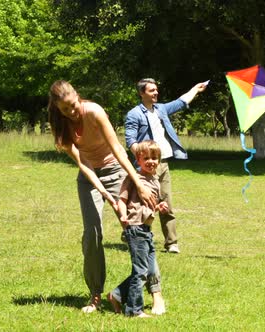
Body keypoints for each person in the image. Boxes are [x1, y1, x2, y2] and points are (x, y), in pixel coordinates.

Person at [47, 80, 165, 314]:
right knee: (92, 234)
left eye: (72, 105)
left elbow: (118, 150)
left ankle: (156, 293)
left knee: (140, 229)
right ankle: (95, 295)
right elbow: (82, 162)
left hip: (116, 170)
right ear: (57, 108)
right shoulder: (59, 124)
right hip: (89, 176)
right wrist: (102, 192)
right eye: (64, 109)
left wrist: (138, 185)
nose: (71, 112)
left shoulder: (94, 112)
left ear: (77, 96)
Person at [125, 78, 207, 254]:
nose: (155, 93)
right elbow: (130, 140)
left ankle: (171, 243)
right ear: (142, 93)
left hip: (163, 164)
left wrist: (195, 88)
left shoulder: (161, 109)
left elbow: (181, 102)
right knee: (143, 204)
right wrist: (141, 159)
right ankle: (132, 233)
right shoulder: (134, 114)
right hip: (145, 167)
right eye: (151, 90)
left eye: (156, 90)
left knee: (166, 202)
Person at [107, 140, 169, 318]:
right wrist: (123, 216)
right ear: (138, 160)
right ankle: (134, 310)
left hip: (147, 230)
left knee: (147, 270)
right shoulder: (133, 178)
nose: (151, 161)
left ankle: (117, 295)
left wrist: (159, 206)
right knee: (140, 271)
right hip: (136, 229)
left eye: (155, 158)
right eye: (146, 158)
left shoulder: (154, 180)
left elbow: (148, 205)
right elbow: (122, 200)